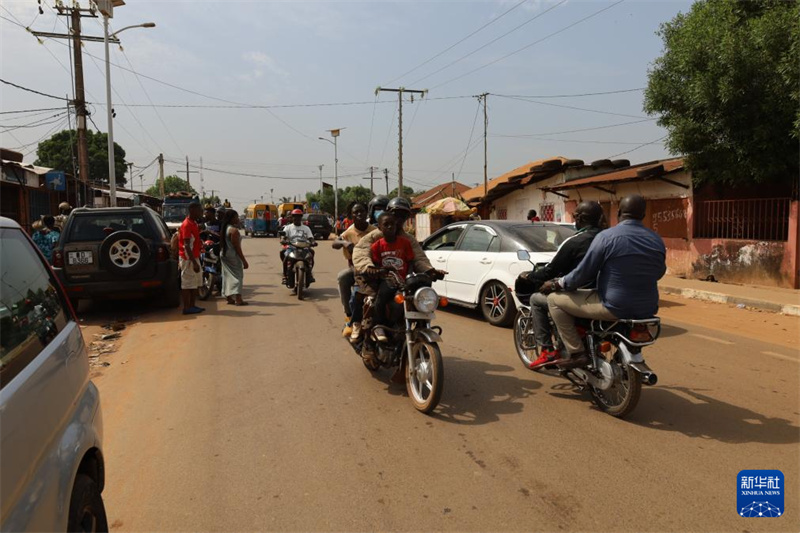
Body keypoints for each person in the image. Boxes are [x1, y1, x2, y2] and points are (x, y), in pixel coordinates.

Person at [542, 195, 666, 368]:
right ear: (643, 215)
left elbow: (583, 273)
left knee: (554, 300)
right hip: (648, 307)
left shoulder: (607, 237)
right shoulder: (656, 240)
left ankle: (577, 352)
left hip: (613, 305)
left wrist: (558, 284)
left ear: (620, 212)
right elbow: (659, 272)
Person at [518, 201, 604, 369]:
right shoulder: (607, 237)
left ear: (579, 219)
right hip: (604, 294)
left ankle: (547, 351)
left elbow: (551, 271)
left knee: (536, 299)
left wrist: (531, 276)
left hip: (580, 295)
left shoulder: (574, 242)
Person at [363, 212, 416, 343]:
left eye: (392, 224)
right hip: (387, 281)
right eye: (386, 225)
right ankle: (378, 326)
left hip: (403, 281)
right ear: (380, 228)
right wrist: (382, 272)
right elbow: (376, 265)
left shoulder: (405, 243)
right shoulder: (377, 246)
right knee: (381, 298)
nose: (390, 227)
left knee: (412, 300)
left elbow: (411, 261)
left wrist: (408, 277)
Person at [352, 196, 433, 276]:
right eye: (396, 214)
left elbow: (419, 258)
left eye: (403, 215)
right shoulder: (375, 236)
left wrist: (429, 270)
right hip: (376, 277)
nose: (399, 218)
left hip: (403, 280)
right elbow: (361, 251)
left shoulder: (409, 239)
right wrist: (368, 266)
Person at [332, 202, 375, 339]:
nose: (359, 214)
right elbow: (335, 243)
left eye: (361, 211)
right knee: (343, 277)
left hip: (374, 269)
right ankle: (349, 316)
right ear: (351, 216)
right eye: (355, 212)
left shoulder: (375, 231)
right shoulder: (348, 233)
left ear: (367, 213)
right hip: (355, 270)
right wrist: (345, 243)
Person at [179, 202, 205, 315]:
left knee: (194, 282)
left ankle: (192, 305)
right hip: (188, 259)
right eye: (200, 210)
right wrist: (193, 262)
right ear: (193, 210)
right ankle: (187, 307)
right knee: (187, 284)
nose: (201, 212)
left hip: (194, 257)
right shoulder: (187, 225)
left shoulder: (193, 223)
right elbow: (186, 245)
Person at [220, 209, 249, 306]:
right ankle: (238, 299)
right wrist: (244, 260)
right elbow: (237, 247)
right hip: (232, 255)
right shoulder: (234, 230)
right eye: (236, 217)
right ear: (232, 218)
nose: (238, 219)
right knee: (238, 276)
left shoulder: (225, 228)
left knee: (227, 276)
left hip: (224, 254)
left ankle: (229, 298)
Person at [280, 208, 315, 285]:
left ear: (301, 217)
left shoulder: (306, 228)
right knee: (283, 253)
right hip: (292, 247)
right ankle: (285, 275)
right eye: (295, 216)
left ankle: (310, 273)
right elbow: (284, 236)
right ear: (292, 217)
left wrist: (313, 242)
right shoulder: (288, 227)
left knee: (312, 253)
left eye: (298, 216)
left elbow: (310, 237)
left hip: (304, 247)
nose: (296, 218)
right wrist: (283, 240)